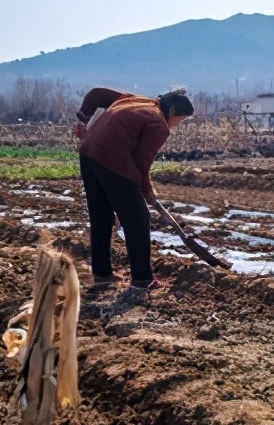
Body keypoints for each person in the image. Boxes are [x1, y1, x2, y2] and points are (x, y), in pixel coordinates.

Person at [74, 87, 194, 291]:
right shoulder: (159, 124)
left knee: (101, 215)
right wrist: (146, 191)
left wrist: (83, 121)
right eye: (180, 121)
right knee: (138, 218)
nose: (176, 126)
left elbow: (96, 94)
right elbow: (141, 163)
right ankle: (142, 279)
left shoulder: (134, 100)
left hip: (88, 154)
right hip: (113, 160)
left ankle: (102, 274)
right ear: (173, 112)